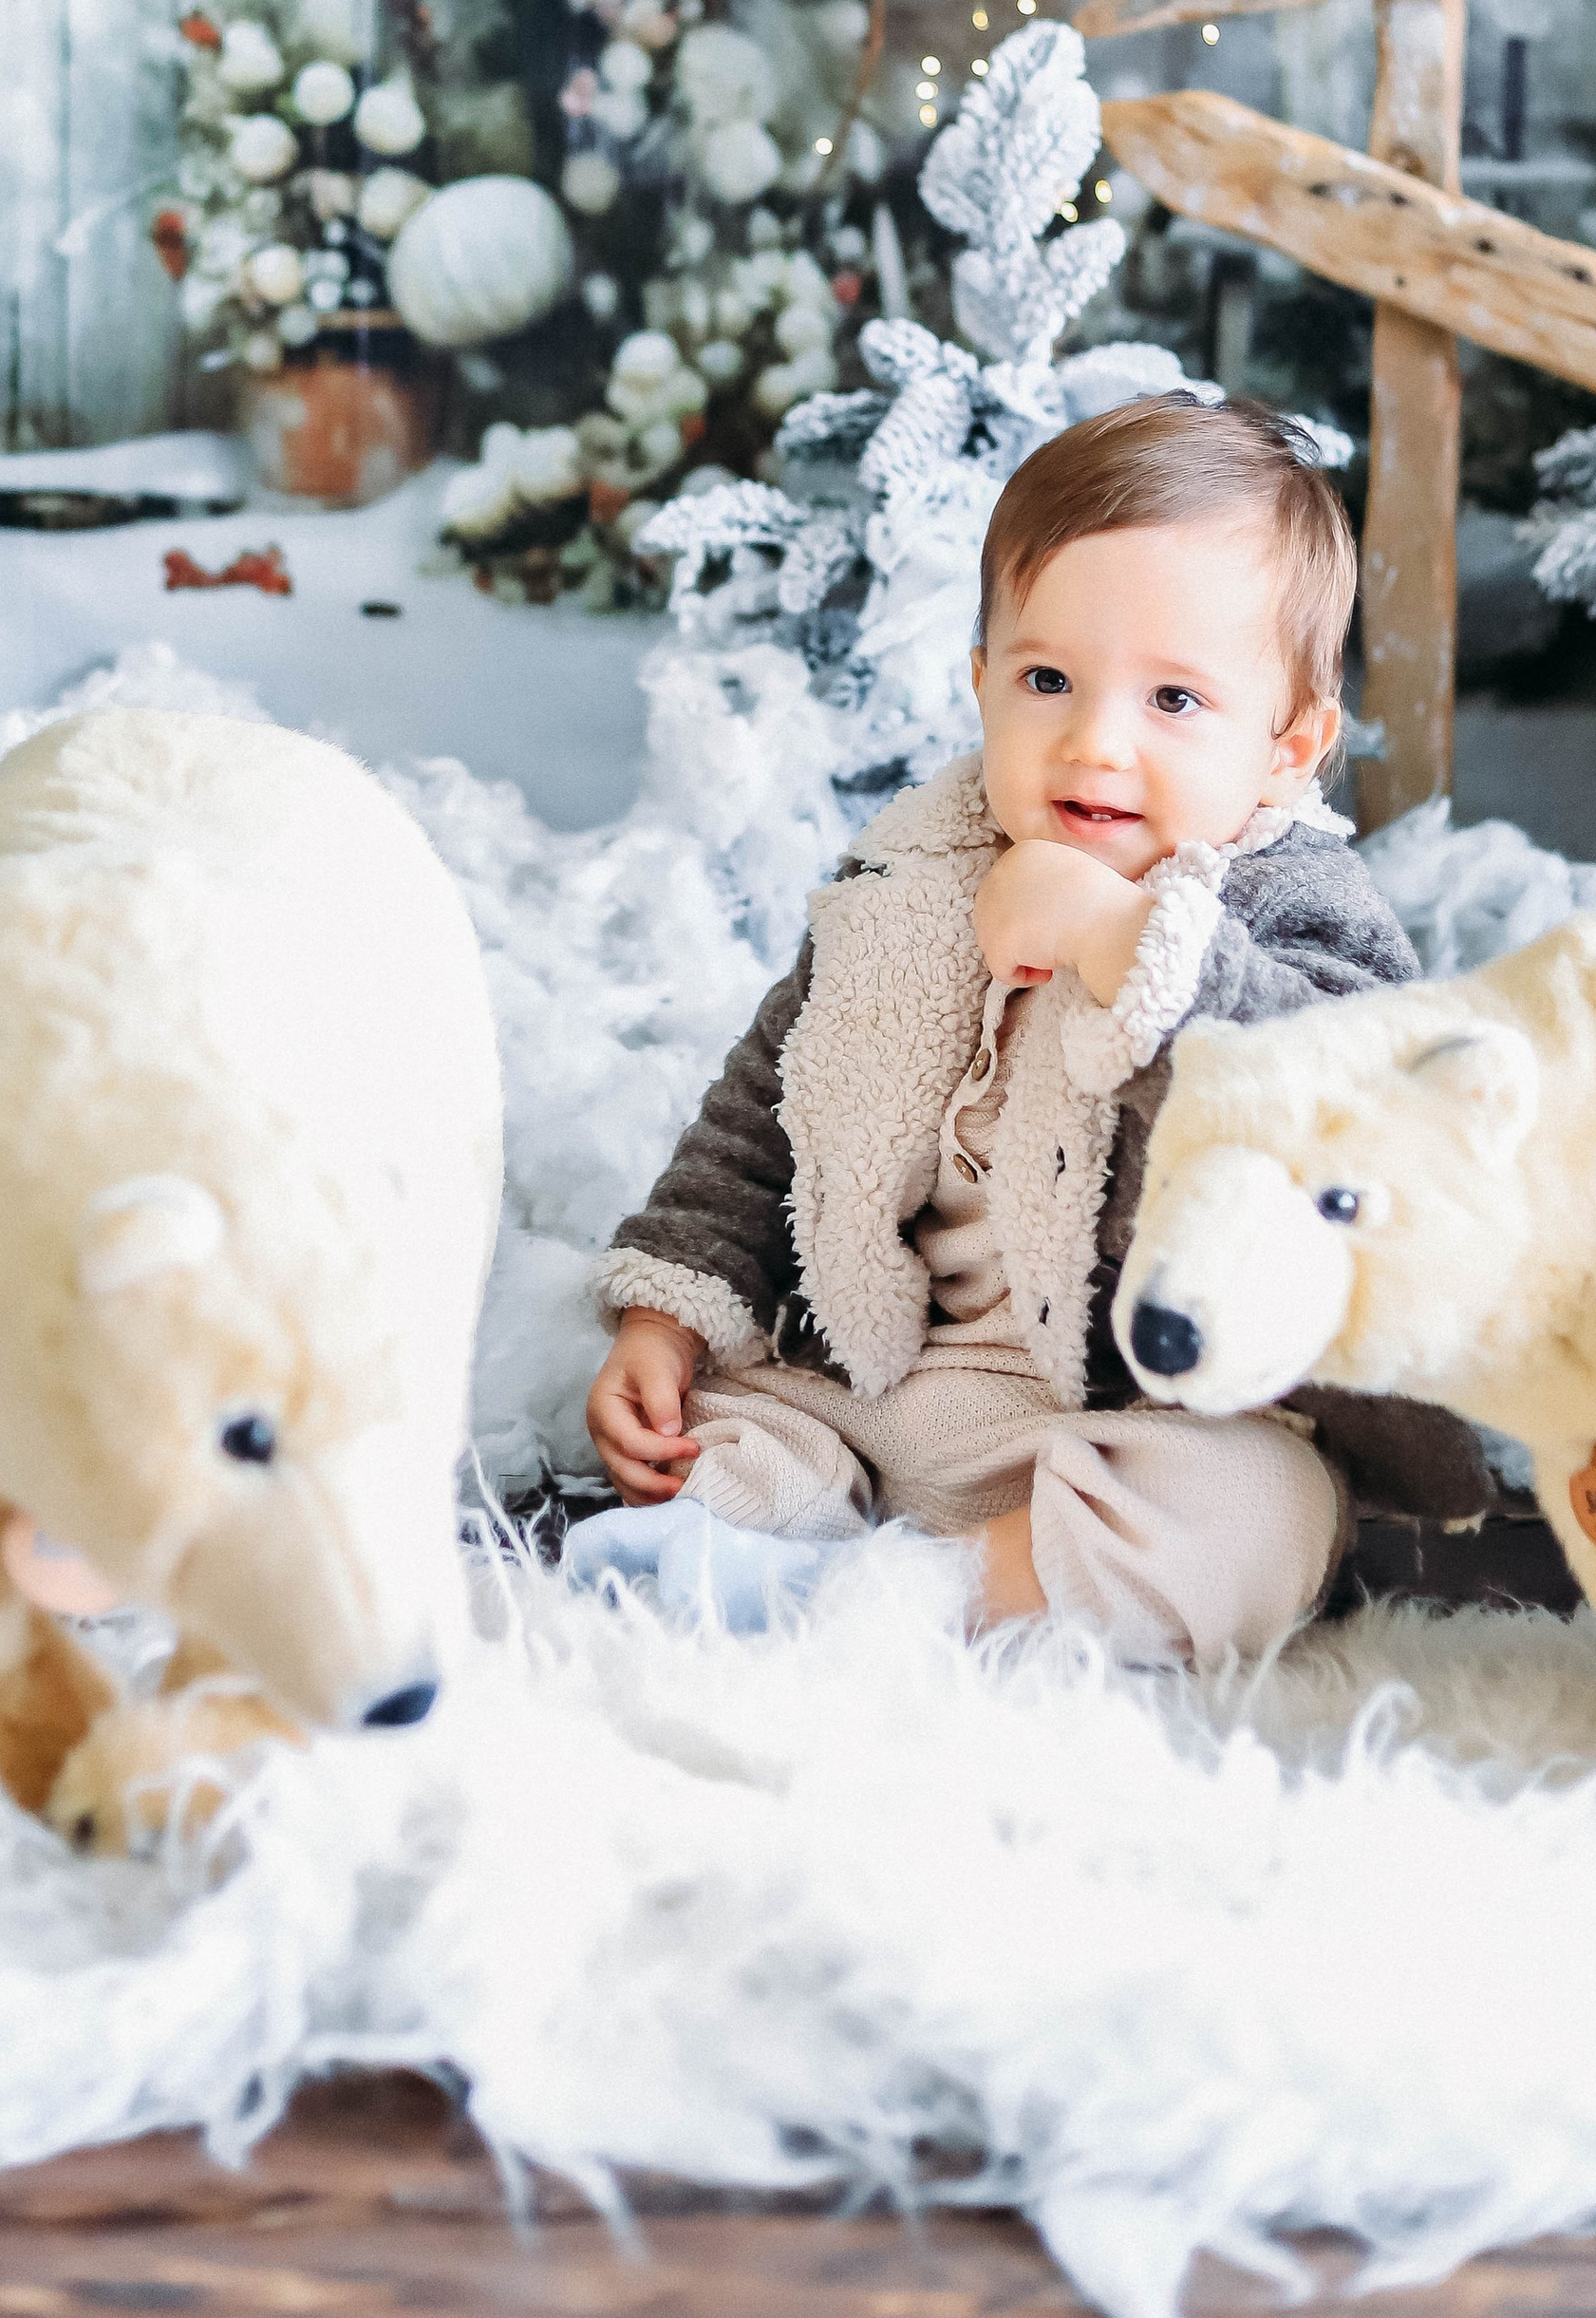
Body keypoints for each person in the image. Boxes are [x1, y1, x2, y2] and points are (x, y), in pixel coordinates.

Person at [570, 393, 1493, 1662]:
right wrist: (667, 1319)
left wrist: (1127, 942)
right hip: (873, 1385)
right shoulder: (910, 876)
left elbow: (1345, 1104)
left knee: (1262, 1517)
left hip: (1127, 1420)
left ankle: (927, 1593)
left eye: (1175, 700)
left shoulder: (1290, 903)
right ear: (982, 685)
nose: (1095, 741)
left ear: (1289, 749)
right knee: (722, 1434)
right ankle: (743, 1546)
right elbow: (761, 1113)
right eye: (1047, 678)